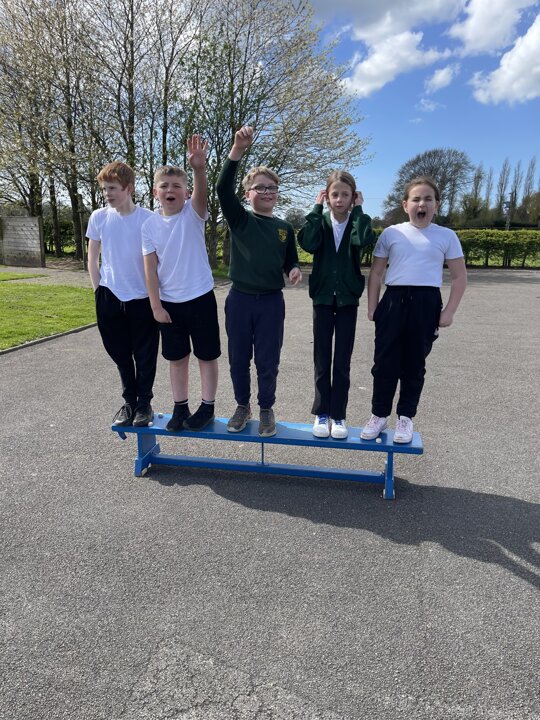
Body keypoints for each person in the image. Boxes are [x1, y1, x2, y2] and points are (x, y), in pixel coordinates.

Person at [360, 176, 467, 443]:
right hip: (393, 300)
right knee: (384, 363)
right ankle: (379, 414)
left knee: (414, 364)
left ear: (436, 205)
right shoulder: (391, 233)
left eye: (428, 199)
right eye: (416, 199)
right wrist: (373, 307)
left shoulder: (446, 236)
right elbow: (376, 273)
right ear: (405, 204)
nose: (422, 204)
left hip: (426, 302)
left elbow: (459, 277)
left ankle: (405, 418)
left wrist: (449, 311)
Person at [217, 125, 302, 437]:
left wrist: (293, 270)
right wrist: (237, 151)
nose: (267, 192)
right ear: (247, 194)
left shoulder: (284, 228)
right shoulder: (240, 219)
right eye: (260, 187)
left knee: (268, 361)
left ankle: (266, 407)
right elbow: (222, 189)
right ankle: (243, 405)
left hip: (270, 303)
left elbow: (290, 260)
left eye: (272, 188)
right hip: (239, 299)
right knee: (238, 359)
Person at [142, 135, 221, 432]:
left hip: (200, 298)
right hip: (169, 305)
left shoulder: (193, 213)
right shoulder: (149, 225)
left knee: (206, 356)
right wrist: (155, 306)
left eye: (177, 186)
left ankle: (207, 407)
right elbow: (150, 269)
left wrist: (199, 169)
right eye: (164, 186)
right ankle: (180, 407)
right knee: (176, 359)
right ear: (155, 192)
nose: (170, 190)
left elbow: (202, 195)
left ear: (186, 193)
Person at [298, 171, 375, 440]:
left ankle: (338, 415)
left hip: (347, 300)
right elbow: (308, 243)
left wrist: (360, 211)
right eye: (334, 194)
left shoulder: (356, 222)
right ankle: (321, 412)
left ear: (353, 197)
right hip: (322, 297)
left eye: (345, 194)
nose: (339, 199)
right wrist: (315, 209)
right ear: (327, 197)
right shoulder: (320, 221)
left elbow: (363, 240)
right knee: (322, 358)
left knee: (342, 360)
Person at [87, 161, 159, 427]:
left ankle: (144, 405)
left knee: (145, 355)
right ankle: (129, 403)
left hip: (142, 298)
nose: (107, 194)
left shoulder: (148, 219)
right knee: (120, 354)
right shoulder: (98, 217)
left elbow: (158, 260)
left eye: (112, 188)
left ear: (128, 189)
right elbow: (92, 258)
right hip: (109, 296)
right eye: (104, 189)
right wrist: (98, 291)